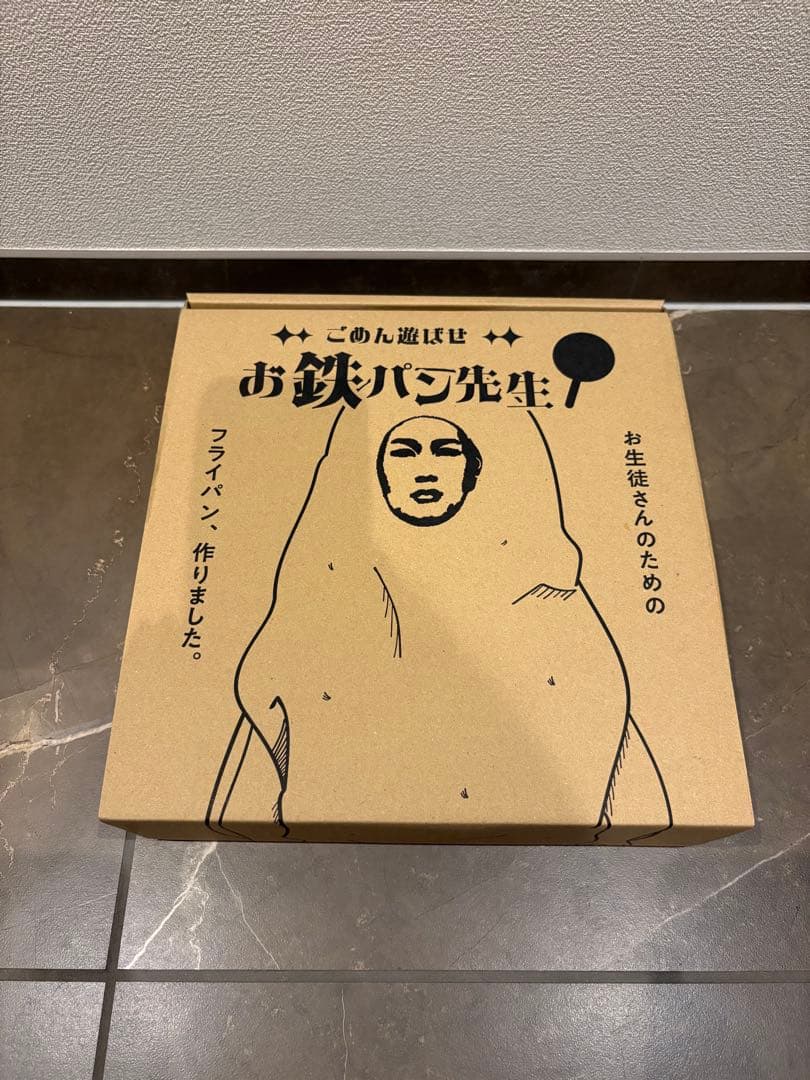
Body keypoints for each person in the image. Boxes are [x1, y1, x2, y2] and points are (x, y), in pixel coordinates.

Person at [207, 401, 671, 844]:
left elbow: (612, 769)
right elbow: (263, 732)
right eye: (403, 452)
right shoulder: (321, 590)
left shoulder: (548, 597)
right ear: (372, 471)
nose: (425, 469)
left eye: (446, 452)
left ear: (473, 472)